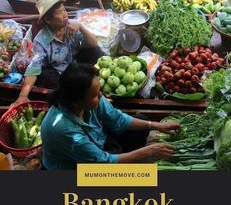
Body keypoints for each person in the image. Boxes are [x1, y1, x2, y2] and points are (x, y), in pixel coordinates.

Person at [41, 62, 180, 170]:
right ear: (77, 101)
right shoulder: (64, 129)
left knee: (144, 123)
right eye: (95, 95)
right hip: (77, 166)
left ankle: (125, 156)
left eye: (99, 90)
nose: (101, 96)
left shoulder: (88, 100)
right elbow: (102, 162)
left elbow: (117, 119)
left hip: (98, 144)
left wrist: (157, 125)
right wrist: (148, 151)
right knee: (137, 177)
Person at [14, 0, 100, 105]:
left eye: (64, 10)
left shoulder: (72, 25)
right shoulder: (41, 41)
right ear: (49, 20)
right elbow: (33, 70)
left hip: (75, 64)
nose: (65, 15)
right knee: (45, 75)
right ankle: (73, 90)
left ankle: (81, 79)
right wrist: (22, 96)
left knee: (94, 50)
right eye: (59, 12)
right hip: (58, 73)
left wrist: (81, 26)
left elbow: (93, 43)